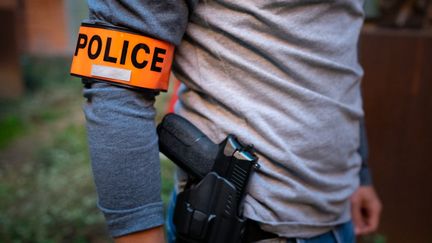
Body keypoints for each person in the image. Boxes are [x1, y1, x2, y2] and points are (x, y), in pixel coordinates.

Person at [78, 0, 382, 242]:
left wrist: (360, 171)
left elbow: (335, 63)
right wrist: (138, 232)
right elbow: (117, 84)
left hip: (337, 213)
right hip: (244, 225)